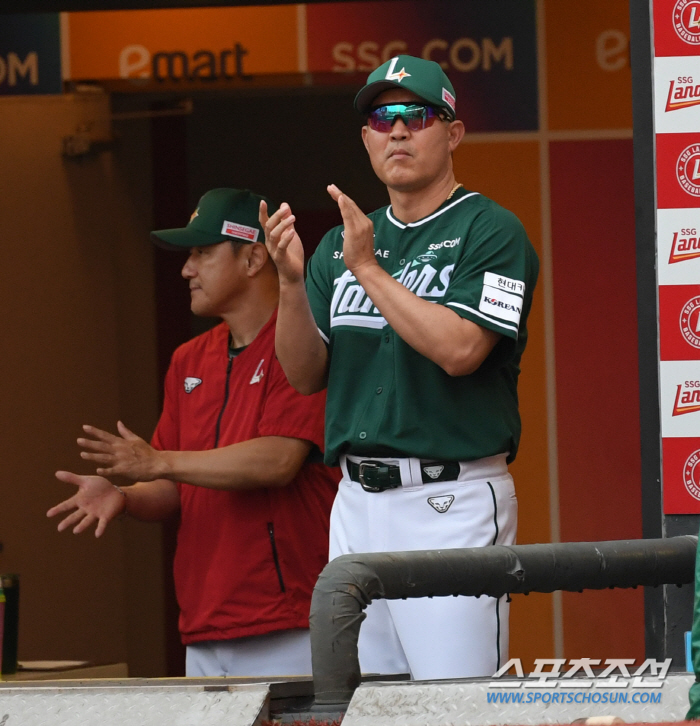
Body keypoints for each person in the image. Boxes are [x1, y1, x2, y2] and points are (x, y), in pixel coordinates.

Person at [261, 55, 539, 681]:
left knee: (452, 703)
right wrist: (289, 282)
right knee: (365, 703)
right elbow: (304, 375)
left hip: (452, 498)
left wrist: (368, 270)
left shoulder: (491, 230)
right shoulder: (342, 243)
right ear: (366, 139)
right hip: (357, 500)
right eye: (382, 118)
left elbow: (463, 350)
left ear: (453, 132)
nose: (398, 131)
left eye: (417, 114)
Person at [47, 188, 339, 677]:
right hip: (205, 622)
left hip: (292, 619)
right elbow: (172, 487)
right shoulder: (189, 358)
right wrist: (126, 496)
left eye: (202, 252)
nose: (186, 269)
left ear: (252, 258)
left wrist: (160, 462)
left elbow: (279, 461)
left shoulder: (305, 341)